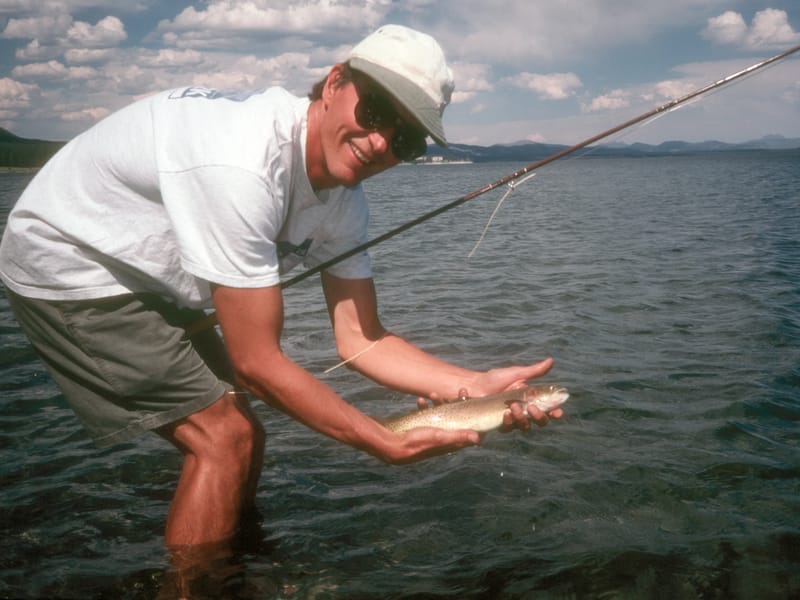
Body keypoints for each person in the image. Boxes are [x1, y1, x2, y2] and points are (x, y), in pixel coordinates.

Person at [0, 24, 561, 560]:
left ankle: (240, 563)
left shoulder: (345, 201)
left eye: (406, 139)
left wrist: (473, 386)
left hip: (152, 271)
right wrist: (378, 440)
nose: (380, 141)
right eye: (376, 111)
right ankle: (197, 585)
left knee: (246, 437)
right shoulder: (243, 161)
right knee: (224, 440)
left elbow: (359, 339)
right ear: (335, 82)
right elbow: (256, 365)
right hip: (72, 257)